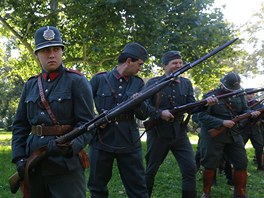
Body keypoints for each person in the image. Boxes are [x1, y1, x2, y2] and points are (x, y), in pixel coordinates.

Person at [11, 26, 94, 198]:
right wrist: (19, 158)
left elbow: (88, 124)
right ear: (37, 54)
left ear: (61, 51)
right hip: (34, 164)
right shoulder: (31, 85)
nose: (52, 54)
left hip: (65, 166)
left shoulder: (76, 81)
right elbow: (20, 125)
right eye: (46, 50)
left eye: (56, 49)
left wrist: (71, 146)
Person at [144, 50, 217, 198]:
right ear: (164, 66)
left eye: (180, 62)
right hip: (158, 132)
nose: (178, 65)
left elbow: (192, 106)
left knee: (190, 169)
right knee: (151, 170)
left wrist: (205, 104)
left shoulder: (186, 83)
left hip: (179, 132)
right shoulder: (154, 83)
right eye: (174, 63)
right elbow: (143, 105)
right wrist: (160, 113)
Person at [87, 42, 149, 197]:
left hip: (128, 140)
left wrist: (138, 102)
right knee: (97, 186)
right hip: (101, 139)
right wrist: (95, 120)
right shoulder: (99, 80)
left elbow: (143, 114)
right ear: (129, 61)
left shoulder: (138, 83)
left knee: (138, 186)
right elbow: (83, 107)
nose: (140, 68)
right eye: (139, 64)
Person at [197, 72, 261, 198]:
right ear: (222, 84)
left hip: (233, 133)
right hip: (214, 134)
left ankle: (240, 193)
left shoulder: (240, 94)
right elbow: (201, 116)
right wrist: (221, 122)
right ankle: (206, 192)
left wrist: (251, 113)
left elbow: (244, 109)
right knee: (210, 164)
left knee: (241, 162)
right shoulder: (211, 96)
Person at [240, 89, 264, 170]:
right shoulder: (242, 104)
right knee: (239, 147)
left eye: (252, 94)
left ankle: (260, 166)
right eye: (248, 94)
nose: (250, 96)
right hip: (243, 129)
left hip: (255, 129)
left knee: (259, 147)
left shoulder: (259, 104)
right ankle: (239, 166)